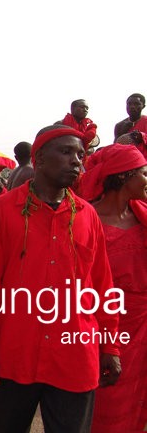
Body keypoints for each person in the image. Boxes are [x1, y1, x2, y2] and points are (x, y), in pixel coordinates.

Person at [0, 125, 121, 433]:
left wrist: (110, 346)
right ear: (38, 159)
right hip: (15, 356)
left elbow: (102, 286)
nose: (76, 161)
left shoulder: (87, 215)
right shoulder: (2, 211)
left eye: (80, 154)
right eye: (65, 152)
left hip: (74, 355)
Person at [79, 144, 147, 433]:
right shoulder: (85, 220)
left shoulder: (142, 216)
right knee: (107, 404)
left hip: (143, 328)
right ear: (123, 177)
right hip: (106, 330)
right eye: (143, 173)